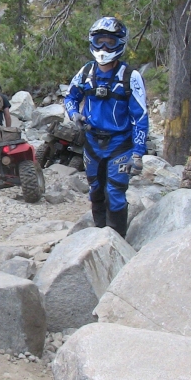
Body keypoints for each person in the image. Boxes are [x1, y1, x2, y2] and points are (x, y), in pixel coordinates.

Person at [64, 17, 148, 237]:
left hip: (120, 144)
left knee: (115, 192)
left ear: (119, 43)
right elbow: (70, 98)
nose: (103, 47)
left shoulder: (131, 77)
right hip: (92, 142)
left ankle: (116, 240)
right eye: (99, 41)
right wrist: (75, 115)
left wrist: (138, 154)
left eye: (109, 42)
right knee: (96, 191)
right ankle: (99, 238)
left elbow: (140, 116)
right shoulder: (86, 72)